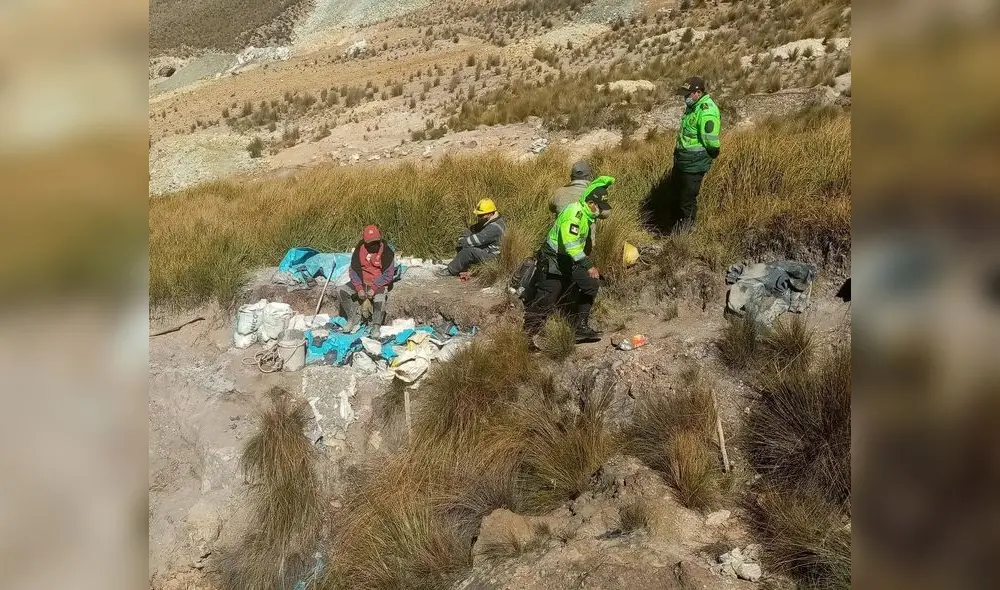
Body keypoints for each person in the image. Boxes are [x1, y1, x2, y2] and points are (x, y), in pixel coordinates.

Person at [524, 178, 613, 343]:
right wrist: (587, 265)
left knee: (591, 284)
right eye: (599, 207)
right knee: (548, 297)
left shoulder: (587, 215)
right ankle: (529, 334)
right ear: (591, 202)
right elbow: (570, 243)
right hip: (553, 259)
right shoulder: (574, 214)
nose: (600, 211)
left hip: (570, 260)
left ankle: (580, 327)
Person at [666, 75, 721, 229]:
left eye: (687, 94)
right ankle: (675, 225)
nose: (685, 98)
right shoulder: (693, 107)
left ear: (698, 92)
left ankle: (687, 232)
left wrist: (712, 152)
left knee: (687, 199)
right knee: (676, 194)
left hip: (695, 163)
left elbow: (710, 139)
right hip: (683, 161)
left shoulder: (707, 111)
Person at [339, 224, 396, 336]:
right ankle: (352, 319)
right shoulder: (359, 249)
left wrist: (374, 288)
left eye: (376, 242)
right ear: (365, 241)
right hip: (362, 281)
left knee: (379, 298)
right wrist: (359, 288)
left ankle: (376, 326)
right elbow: (354, 270)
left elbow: (388, 275)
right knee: (341, 291)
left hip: (378, 283)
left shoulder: (387, 252)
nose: (373, 245)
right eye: (370, 243)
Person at [440, 199, 506, 276]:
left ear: (490, 213)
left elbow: (474, 240)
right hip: (487, 249)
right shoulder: (493, 220)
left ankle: (451, 270)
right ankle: (459, 262)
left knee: (468, 251)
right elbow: (471, 229)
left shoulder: (494, 228)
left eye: (481, 215)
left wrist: (461, 241)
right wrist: (466, 235)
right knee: (468, 239)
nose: (478, 217)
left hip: (493, 257)